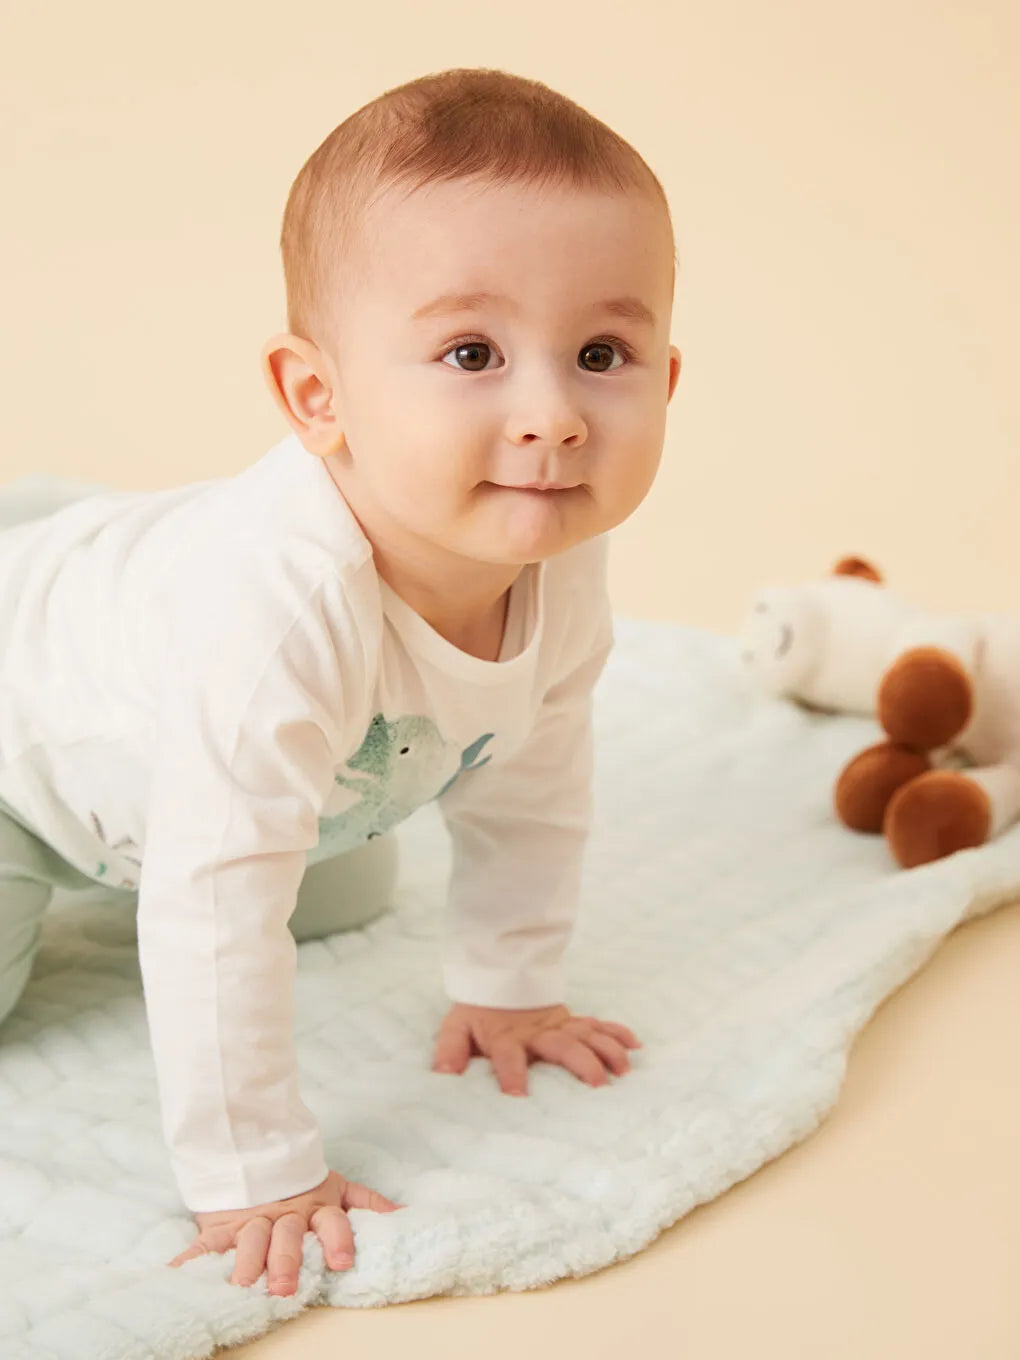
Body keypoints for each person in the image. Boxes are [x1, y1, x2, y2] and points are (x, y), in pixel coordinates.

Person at [0, 66, 682, 1295]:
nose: (555, 413)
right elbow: (208, 907)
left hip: (229, 763)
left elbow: (531, 781)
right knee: (213, 898)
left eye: (601, 351)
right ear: (319, 398)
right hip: (19, 748)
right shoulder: (278, 612)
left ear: (668, 380)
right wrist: (257, 1168)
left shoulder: (557, 558)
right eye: (473, 351)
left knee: (333, 886)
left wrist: (512, 987)